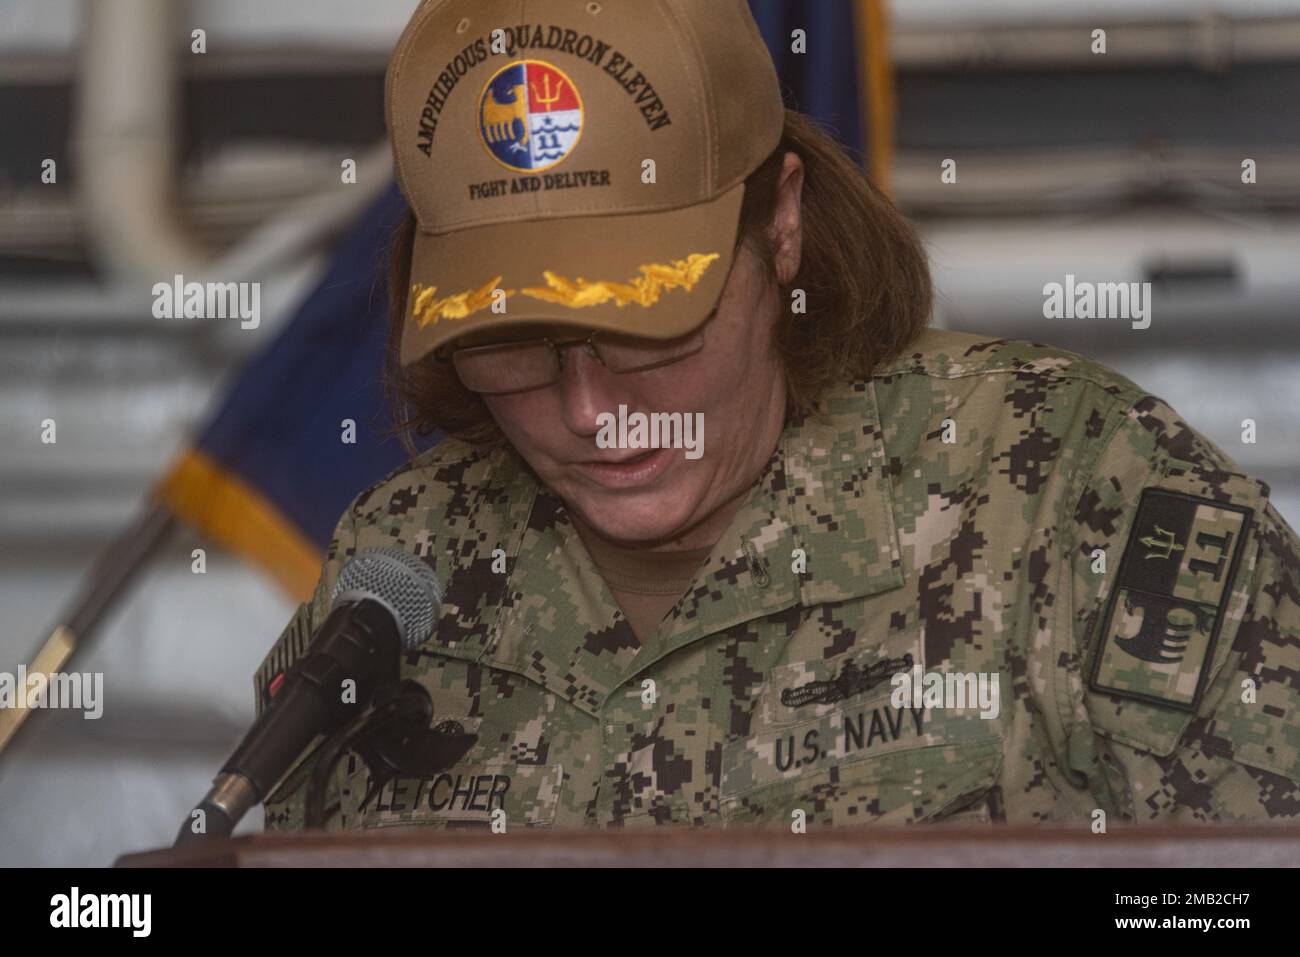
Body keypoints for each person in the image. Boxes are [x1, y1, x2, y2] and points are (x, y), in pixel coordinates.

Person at [254, 0, 1300, 831]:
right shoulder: (406, 563)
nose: (588, 409)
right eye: (507, 345)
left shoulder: (1078, 490)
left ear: (783, 227)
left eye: (648, 326)